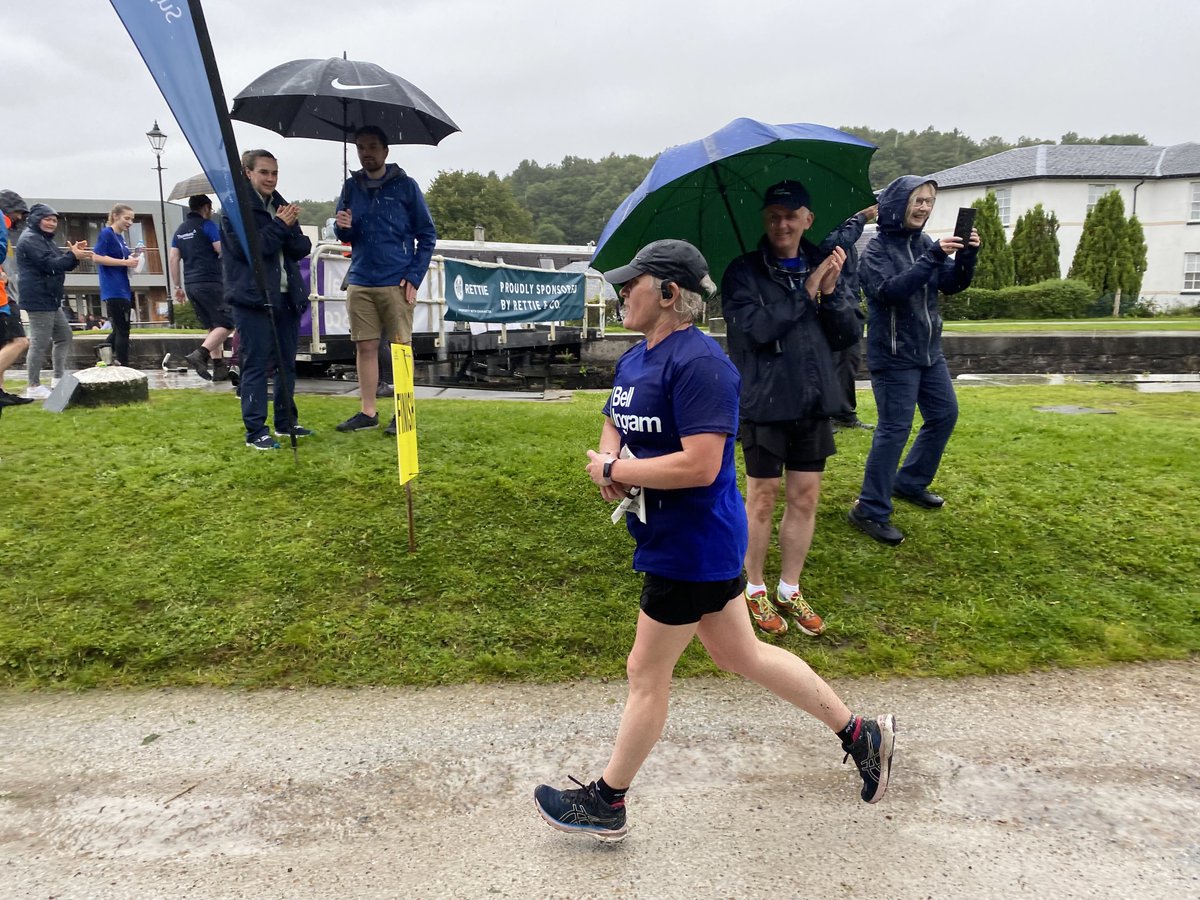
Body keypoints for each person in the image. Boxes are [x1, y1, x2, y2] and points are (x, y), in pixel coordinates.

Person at [533, 240, 896, 842]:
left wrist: (613, 474)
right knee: (740, 656)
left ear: (671, 295)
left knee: (645, 673)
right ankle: (862, 734)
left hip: (693, 544)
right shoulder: (636, 358)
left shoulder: (701, 364)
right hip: (670, 534)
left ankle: (607, 801)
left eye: (635, 284)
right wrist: (613, 455)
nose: (623, 292)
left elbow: (702, 465)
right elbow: (615, 416)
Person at [720, 180, 858, 638]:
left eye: (791, 214)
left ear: (807, 219)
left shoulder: (828, 264)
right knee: (761, 498)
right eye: (774, 214)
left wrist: (832, 294)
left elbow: (846, 336)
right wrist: (807, 292)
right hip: (764, 401)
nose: (782, 223)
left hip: (813, 399)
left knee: (805, 498)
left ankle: (788, 587)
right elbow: (756, 330)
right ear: (766, 219)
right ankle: (753, 587)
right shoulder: (742, 272)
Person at [848, 176, 980, 546]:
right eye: (917, 200)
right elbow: (889, 292)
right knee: (894, 429)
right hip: (893, 355)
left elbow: (951, 284)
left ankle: (909, 482)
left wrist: (967, 255)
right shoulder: (875, 251)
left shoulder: (922, 243)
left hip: (928, 352)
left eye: (929, 201)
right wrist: (935, 256)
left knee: (943, 415)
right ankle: (869, 509)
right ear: (896, 204)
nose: (924, 207)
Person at [332, 125, 436, 436]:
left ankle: (403, 414)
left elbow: (427, 235)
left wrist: (414, 276)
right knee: (364, 346)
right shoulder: (350, 187)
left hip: (397, 280)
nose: (367, 153)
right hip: (361, 278)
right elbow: (345, 233)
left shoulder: (406, 186)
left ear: (385, 151)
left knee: (401, 347)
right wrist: (342, 228)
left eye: (373, 146)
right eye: (361, 147)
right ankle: (368, 411)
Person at [221, 149, 313, 450]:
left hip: (286, 295)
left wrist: (284, 229)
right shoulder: (234, 209)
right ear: (248, 173)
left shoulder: (281, 205)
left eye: (274, 173)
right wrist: (281, 227)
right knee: (256, 364)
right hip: (253, 298)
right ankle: (256, 431)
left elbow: (302, 247)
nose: (271, 178)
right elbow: (254, 250)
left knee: (287, 363)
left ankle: (287, 423)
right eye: (264, 172)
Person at [15, 204, 89, 398]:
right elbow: (50, 265)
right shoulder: (31, 239)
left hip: (49, 297)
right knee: (40, 341)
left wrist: (73, 255)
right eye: (47, 219)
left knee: (64, 335)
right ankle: (33, 385)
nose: (51, 223)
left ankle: (57, 378)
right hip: (38, 297)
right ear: (36, 219)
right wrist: (73, 256)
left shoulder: (43, 239)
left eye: (54, 220)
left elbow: (59, 263)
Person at [820, 205, 878, 432]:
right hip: (828, 300)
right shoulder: (824, 221)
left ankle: (844, 412)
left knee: (849, 358)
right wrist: (861, 218)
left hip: (848, 300)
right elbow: (834, 244)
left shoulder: (845, 223)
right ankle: (824, 415)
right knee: (828, 360)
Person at [170, 194, 231, 381]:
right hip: (210, 281)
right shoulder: (208, 226)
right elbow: (221, 249)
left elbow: (173, 258)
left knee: (213, 324)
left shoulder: (180, 231)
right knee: (228, 322)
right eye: (210, 209)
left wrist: (177, 286)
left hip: (190, 284)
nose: (211, 213)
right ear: (205, 207)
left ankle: (219, 367)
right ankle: (200, 354)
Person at [90, 203, 141, 368]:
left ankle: (101, 353)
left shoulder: (121, 238)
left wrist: (135, 256)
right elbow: (97, 257)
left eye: (132, 219)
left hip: (123, 288)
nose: (130, 222)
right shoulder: (107, 233)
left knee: (119, 328)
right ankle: (123, 364)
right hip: (113, 288)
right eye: (126, 218)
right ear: (115, 216)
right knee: (123, 329)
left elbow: (124, 258)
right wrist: (124, 262)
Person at [0, 190, 32, 403]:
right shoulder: (1, 221)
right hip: (2, 297)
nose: (20, 218)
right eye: (19, 212)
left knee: (3, 346)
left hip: (5, 292)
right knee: (20, 341)